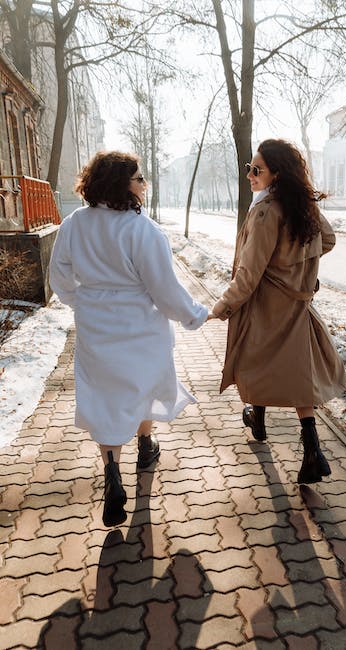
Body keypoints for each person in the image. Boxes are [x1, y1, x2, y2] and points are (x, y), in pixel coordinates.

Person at [49, 151, 208, 527]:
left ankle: (113, 473)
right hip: (140, 327)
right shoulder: (143, 230)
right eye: (139, 178)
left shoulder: (73, 225)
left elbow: (60, 279)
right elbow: (165, 290)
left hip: (96, 329)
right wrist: (195, 314)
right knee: (143, 388)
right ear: (122, 183)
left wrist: (85, 302)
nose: (143, 184)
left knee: (106, 398)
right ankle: (145, 446)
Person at [209, 139, 346, 484]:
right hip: (297, 308)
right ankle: (311, 449)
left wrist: (221, 307)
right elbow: (326, 241)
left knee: (254, 361)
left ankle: (260, 422)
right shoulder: (302, 206)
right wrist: (297, 267)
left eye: (257, 170)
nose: (250, 176)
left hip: (266, 306)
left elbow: (249, 273)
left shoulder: (266, 211)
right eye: (248, 169)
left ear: (276, 175)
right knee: (297, 374)